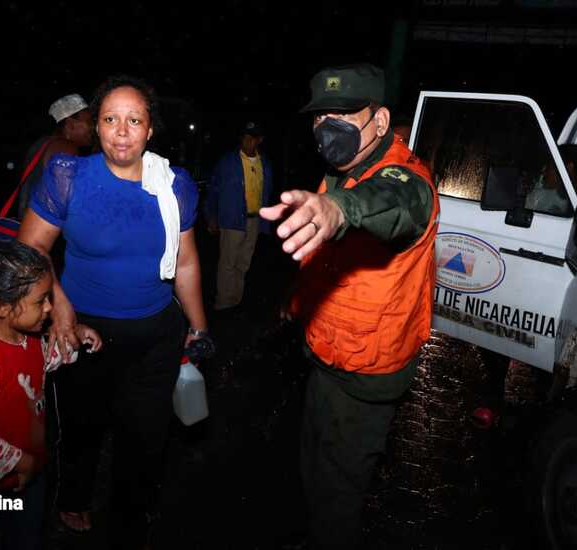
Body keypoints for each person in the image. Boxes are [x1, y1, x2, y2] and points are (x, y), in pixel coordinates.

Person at [18, 75, 208, 548]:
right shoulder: (67, 177)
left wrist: (199, 326)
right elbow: (32, 247)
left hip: (155, 336)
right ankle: (74, 498)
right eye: (110, 119)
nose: (121, 131)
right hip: (84, 331)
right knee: (81, 428)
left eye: (134, 121)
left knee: (145, 438)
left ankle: (130, 517)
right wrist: (61, 306)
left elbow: (185, 263)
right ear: (96, 126)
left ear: (150, 129)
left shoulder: (175, 186)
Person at [260, 63, 440, 549]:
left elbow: (395, 203)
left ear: (379, 122)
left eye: (342, 115)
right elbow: (325, 257)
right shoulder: (338, 175)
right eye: (320, 117)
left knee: (339, 490)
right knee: (314, 464)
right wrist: (296, 297)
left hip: (367, 370)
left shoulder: (405, 177)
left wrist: (340, 209)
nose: (327, 128)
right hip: (326, 353)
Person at [0, 241, 102, 550]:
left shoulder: (28, 337)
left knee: (26, 538)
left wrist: (75, 335)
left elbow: (48, 359)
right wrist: (22, 463)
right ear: (2, 307)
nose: (50, 308)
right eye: (41, 300)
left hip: (29, 473)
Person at [204, 121, 274, 312]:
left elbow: (266, 192)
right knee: (228, 262)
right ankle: (223, 302)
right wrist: (211, 216)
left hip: (254, 220)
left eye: (252, 137)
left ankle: (235, 300)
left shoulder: (264, 163)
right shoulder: (228, 161)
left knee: (244, 262)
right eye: (245, 137)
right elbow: (214, 189)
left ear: (260, 140)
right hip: (231, 218)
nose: (248, 141)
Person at [17, 93, 94, 217]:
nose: (94, 128)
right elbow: (65, 203)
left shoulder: (43, 143)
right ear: (71, 125)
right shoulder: (66, 147)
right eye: (89, 122)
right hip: (45, 227)